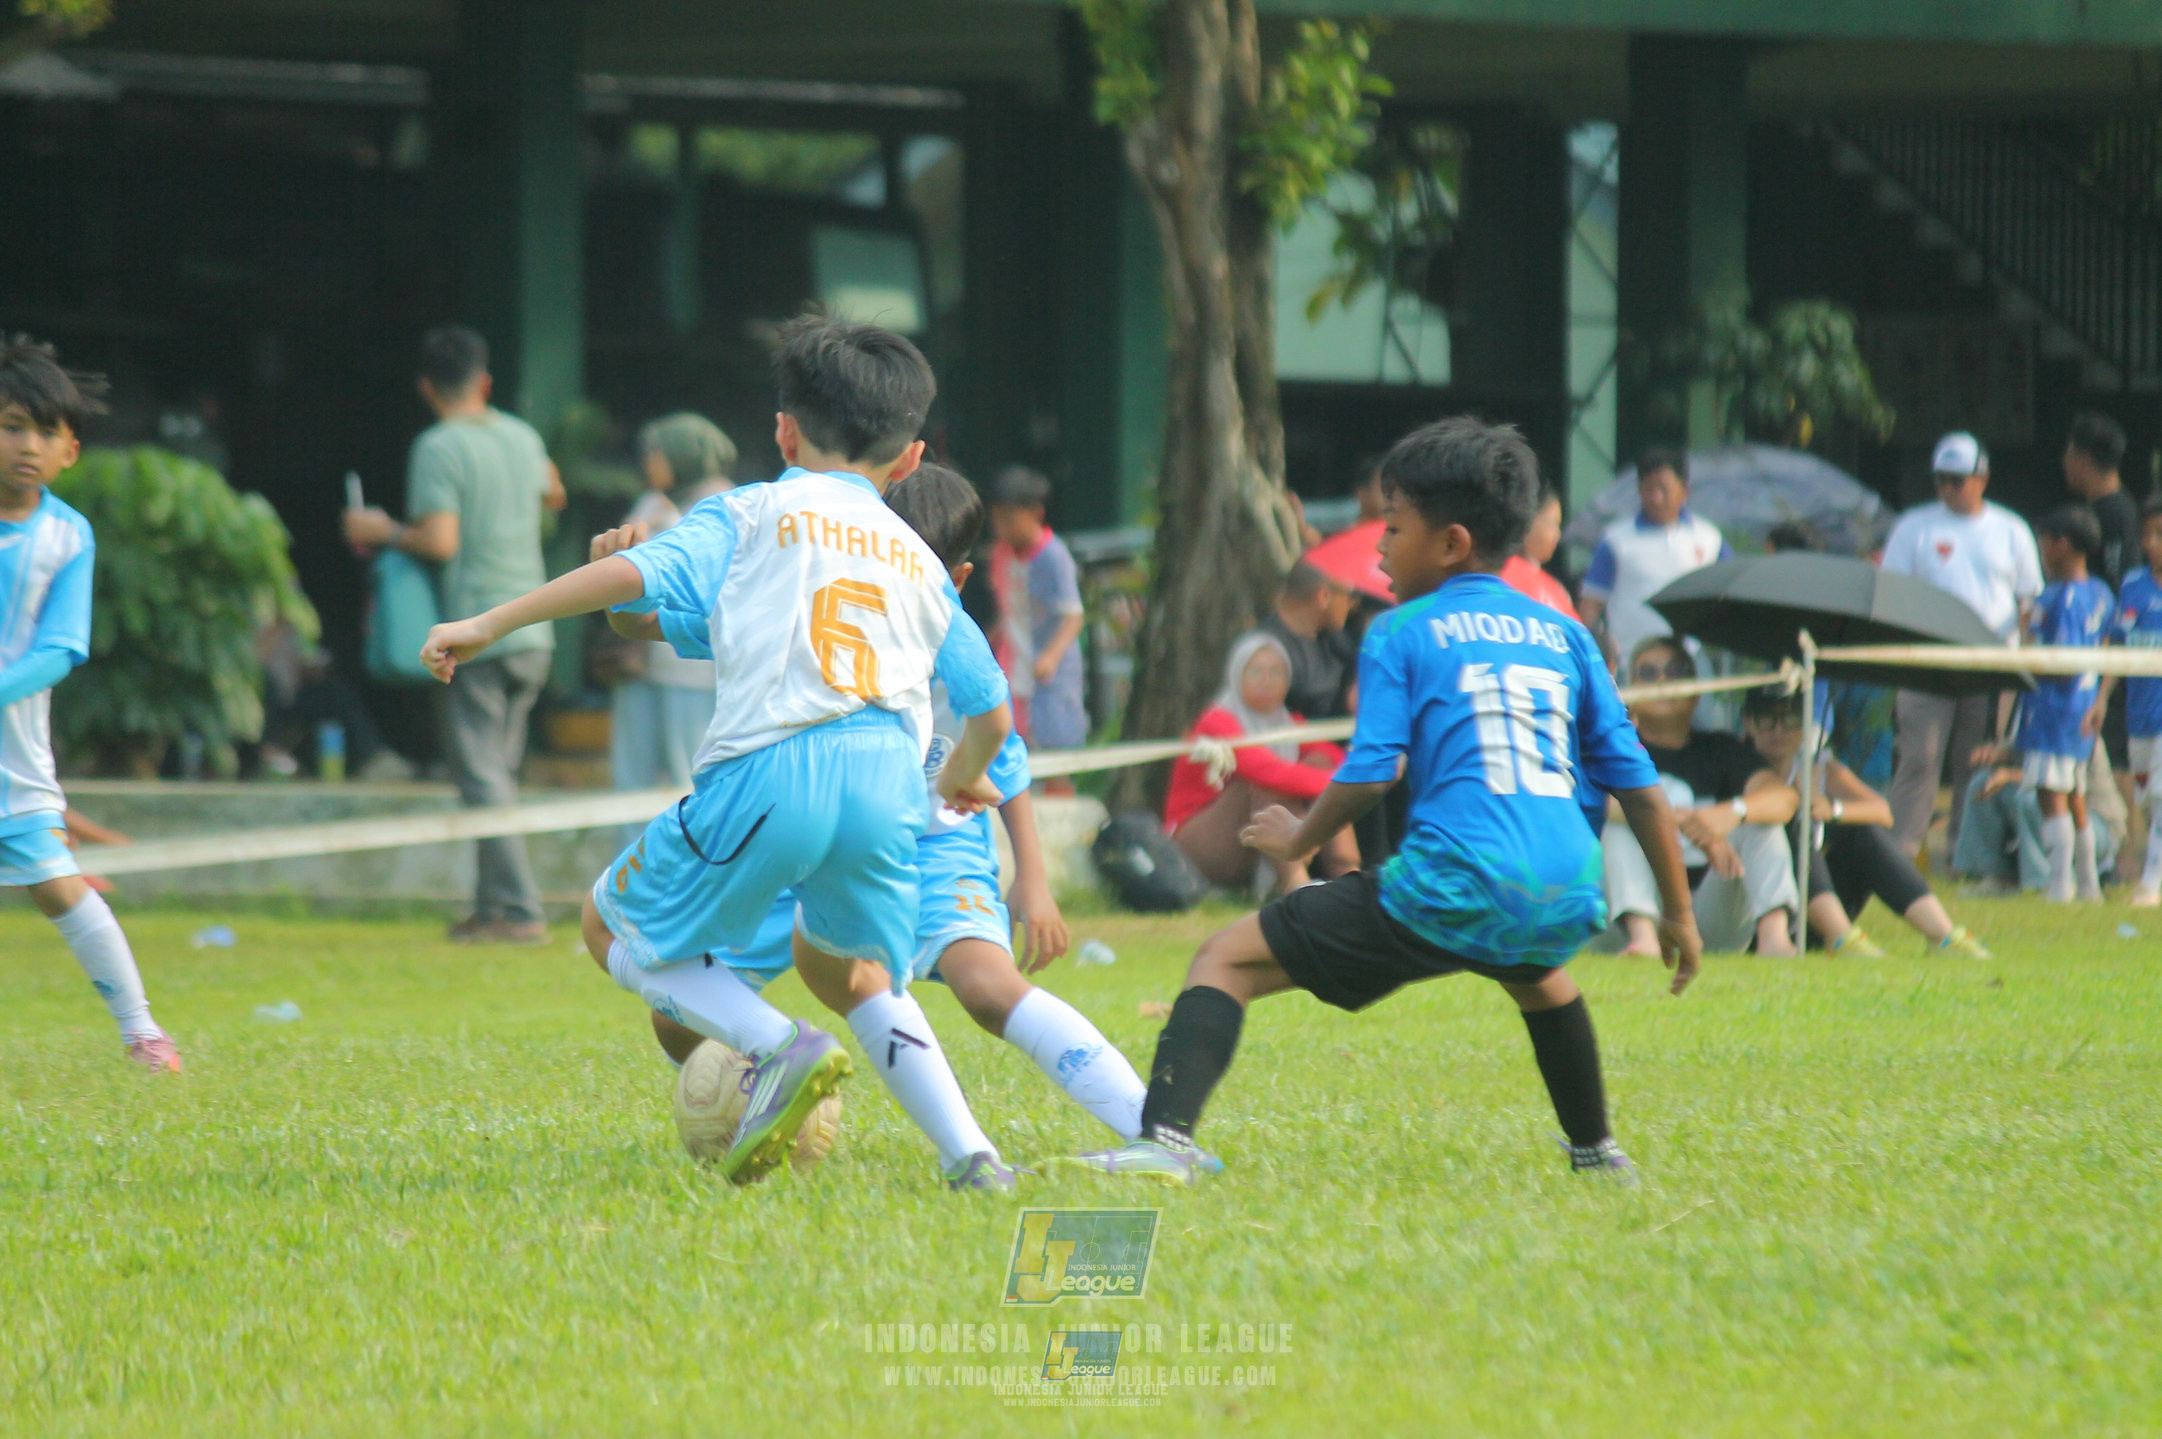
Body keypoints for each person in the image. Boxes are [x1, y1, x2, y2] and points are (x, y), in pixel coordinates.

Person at [420, 317, 1019, 1191]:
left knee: (606, 925)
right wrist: (963, 773)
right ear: (911, 457)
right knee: (850, 973)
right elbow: (994, 711)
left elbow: (631, 582)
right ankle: (973, 1155)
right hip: (891, 785)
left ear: (782, 429)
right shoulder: (923, 563)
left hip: (775, 770)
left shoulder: (751, 511)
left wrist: (486, 622)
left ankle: (782, 1047)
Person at [1061, 417, 1702, 1186]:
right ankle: (1598, 1152)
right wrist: (1679, 911)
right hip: (1564, 885)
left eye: (1392, 530)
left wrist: (1300, 839)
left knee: (1223, 958)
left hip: (1450, 881)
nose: (1378, 550)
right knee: (1541, 976)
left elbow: (1372, 772)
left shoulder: (1402, 630)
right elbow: (1639, 786)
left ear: (1452, 542)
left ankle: (1163, 1142)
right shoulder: (1567, 636)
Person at [647, 462, 1154, 1151]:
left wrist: (1030, 879)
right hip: (812, 836)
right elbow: (658, 621)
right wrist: (626, 584)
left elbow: (1003, 757)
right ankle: (750, 1097)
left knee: (986, 986)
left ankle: (1153, 1128)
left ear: (956, 578)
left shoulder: (959, 646)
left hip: (933, 845)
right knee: (675, 1013)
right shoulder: (801, 604)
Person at [345, 326, 568, 944]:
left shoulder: (439, 446)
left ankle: (520, 913)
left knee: (482, 779)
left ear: (426, 387)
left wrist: (381, 528)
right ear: (485, 382)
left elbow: (440, 541)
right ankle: (492, 909)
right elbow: (555, 492)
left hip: (477, 631)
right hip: (533, 628)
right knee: (497, 776)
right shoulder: (523, 436)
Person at [0, 335, 179, 1071]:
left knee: (60, 890)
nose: (27, 445)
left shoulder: (68, 536)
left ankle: (142, 1031)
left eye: (46, 432)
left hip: (14, 766)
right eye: (12, 425)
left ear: (71, 450)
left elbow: (62, 646)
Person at [1879, 431, 2043, 859]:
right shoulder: (1914, 527)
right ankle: (1901, 850)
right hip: (1927, 658)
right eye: (1941, 480)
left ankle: (1964, 850)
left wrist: (2023, 661)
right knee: (1920, 754)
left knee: (1975, 758)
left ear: (1982, 478)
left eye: (1957, 479)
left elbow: (2029, 601)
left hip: (1989, 661)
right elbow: (1892, 593)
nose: (1947, 488)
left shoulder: (2010, 529)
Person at [1738, 687, 1990, 959]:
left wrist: (1833, 809)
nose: (1779, 731)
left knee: (1860, 831)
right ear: (1748, 723)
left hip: (1810, 909)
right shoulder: (1734, 765)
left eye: (1790, 720)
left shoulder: (1818, 766)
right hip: (1753, 915)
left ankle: (1943, 935)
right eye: (1767, 721)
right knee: (1790, 823)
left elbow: (1883, 812)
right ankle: (1839, 936)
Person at [1601, 637, 1802, 957]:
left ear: (1695, 693)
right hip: (1630, 915)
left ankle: (1775, 940)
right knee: (1615, 827)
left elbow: (1783, 798)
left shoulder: (1720, 749)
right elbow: (1583, 800)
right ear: (1632, 695)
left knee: (1762, 824)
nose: (1664, 681)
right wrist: (1678, 820)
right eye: (1649, 673)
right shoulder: (1614, 751)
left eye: (1676, 671)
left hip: (1710, 915)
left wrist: (1733, 812)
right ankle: (1643, 941)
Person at [1163, 631, 1358, 896]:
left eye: (1276, 672)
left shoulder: (1290, 723)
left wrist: (1335, 780)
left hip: (1249, 837)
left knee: (1319, 763)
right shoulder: (1216, 721)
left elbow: (1333, 757)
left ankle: (1348, 874)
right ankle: (1294, 880)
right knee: (1259, 784)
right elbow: (1267, 772)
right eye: (1256, 672)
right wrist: (1340, 786)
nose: (1266, 681)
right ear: (1237, 675)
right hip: (1197, 843)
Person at [604, 413, 736, 802]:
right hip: (639, 661)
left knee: (689, 779)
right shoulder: (651, 502)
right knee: (630, 783)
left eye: (657, 453)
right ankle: (630, 862)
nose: (649, 462)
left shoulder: (728, 503)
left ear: (683, 454)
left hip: (691, 670)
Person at [2019, 504, 2112, 901]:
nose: (2040, 550)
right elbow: (2107, 643)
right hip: (2081, 708)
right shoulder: (2100, 592)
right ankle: (2089, 883)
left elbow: (2065, 662)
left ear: (2062, 544)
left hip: (2056, 709)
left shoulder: (2067, 598)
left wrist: (2025, 651)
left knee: (2050, 793)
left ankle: (2060, 885)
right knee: (2075, 795)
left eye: (2044, 542)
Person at [2065, 411, 2142, 871]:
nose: (2063, 461)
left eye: (2069, 452)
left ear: (2084, 457)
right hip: (2098, 654)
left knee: (2118, 755)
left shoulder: (2118, 516)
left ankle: (2128, 853)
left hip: (2114, 654)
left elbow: (2121, 588)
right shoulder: (2099, 511)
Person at [1579, 447, 1730, 668]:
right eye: (1648, 489)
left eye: (1664, 489)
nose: (1656, 498)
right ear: (1638, 490)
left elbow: (1728, 595)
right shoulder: (1615, 540)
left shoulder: (1709, 539)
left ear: (1685, 490)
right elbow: (1590, 605)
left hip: (1690, 663)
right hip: (1629, 664)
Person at [987, 466, 1087, 755]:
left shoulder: (1054, 556)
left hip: (1049, 675)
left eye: (1009, 518)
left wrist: (1051, 657)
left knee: (1055, 750)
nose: (1001, 527)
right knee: (1011, 746)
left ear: (1035, 514)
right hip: (1014, 666)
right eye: (997, 518)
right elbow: (1010, 610)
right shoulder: (1001, 554)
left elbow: (1073, 616)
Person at [2097, 496, 2162, 904]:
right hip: (2140, 714)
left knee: (2161, 794)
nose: (2152, 543)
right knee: (2147, 798)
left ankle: (2150, 881)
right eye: (2147, 535)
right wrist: (2101, 698)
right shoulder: (2132, 586)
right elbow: (2117, 649)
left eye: (2160, 535)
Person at [1952, 741, 2121, 895]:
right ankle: (1997, 877)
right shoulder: (2032, 714)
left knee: (2031, 799)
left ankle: (2044, 883)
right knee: (1983, 782)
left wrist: (2010, 775)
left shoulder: (2073, 716)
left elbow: (2060, 779)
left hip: (2098, 826)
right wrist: (1998, 753)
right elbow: (2019, 750)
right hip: (2061, 817)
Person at [1259, 558, 1356, 719]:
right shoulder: (1269, 652)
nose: (1352, 603)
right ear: (1323, 596)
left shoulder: (1335, 640)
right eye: (1349, 594)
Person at [1499, 482, 1579, 620]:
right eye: (1552, 523)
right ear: (1527, 519)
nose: (1557, 535)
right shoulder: (1498, 574)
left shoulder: (1554, 587)